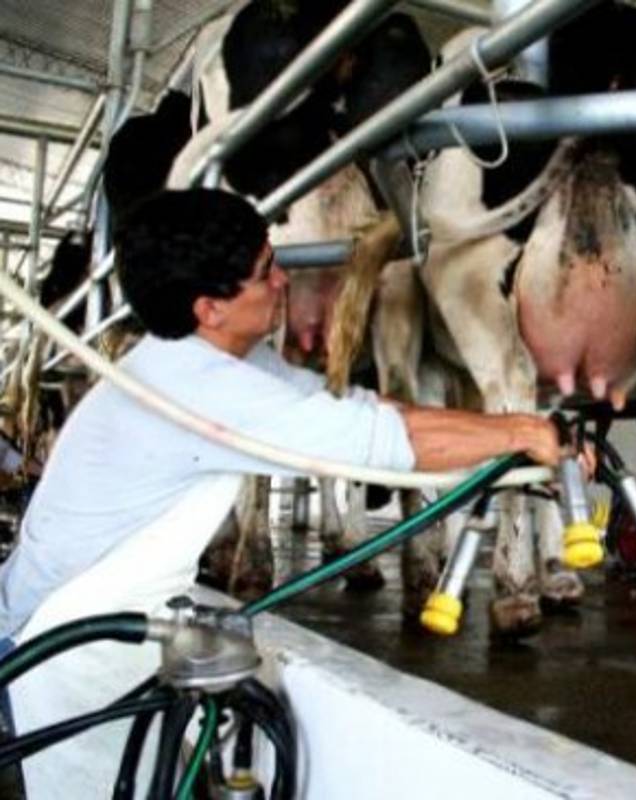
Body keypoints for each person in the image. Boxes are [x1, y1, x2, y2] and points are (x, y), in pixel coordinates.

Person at [0, 189, 573, 794]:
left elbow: (359, 408)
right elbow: (381, 440)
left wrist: (519, 433)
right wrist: (520, 430)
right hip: (67, 643)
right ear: (209, 309)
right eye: (264, 271)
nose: (282, 281)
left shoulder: (213, 360)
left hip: (111, 621)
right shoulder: (199, 388)